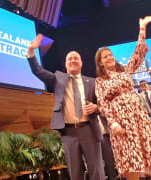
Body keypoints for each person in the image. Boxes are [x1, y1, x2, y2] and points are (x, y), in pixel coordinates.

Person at [94, 15, 151, 180]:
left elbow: (139, 52)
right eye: (105, 57)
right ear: (100, 63)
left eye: (110, 55)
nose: (109, 58)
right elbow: (103, 104)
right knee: (131, 161)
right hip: (122, 122)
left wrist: (142, 28)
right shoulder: (100, 81)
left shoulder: (126, 71)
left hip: (139, 118)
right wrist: (113, 123)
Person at [26, 34, 105, 180]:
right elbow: (38, 70)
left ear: (81, 63)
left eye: (76, 58)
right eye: (70, 59)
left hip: (89, 129)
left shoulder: (93, 82)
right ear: (66, 64)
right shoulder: (58, 79)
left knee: (97, 171)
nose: (73, 60)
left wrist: (96, 107)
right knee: (75, 173)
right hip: (69, 132)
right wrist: (31, 51)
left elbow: (105, 104)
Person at [98, 115, 121, 180]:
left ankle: (113, 177)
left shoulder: (101, 108)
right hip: (92, 138)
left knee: (109, 160)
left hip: (105, 135)